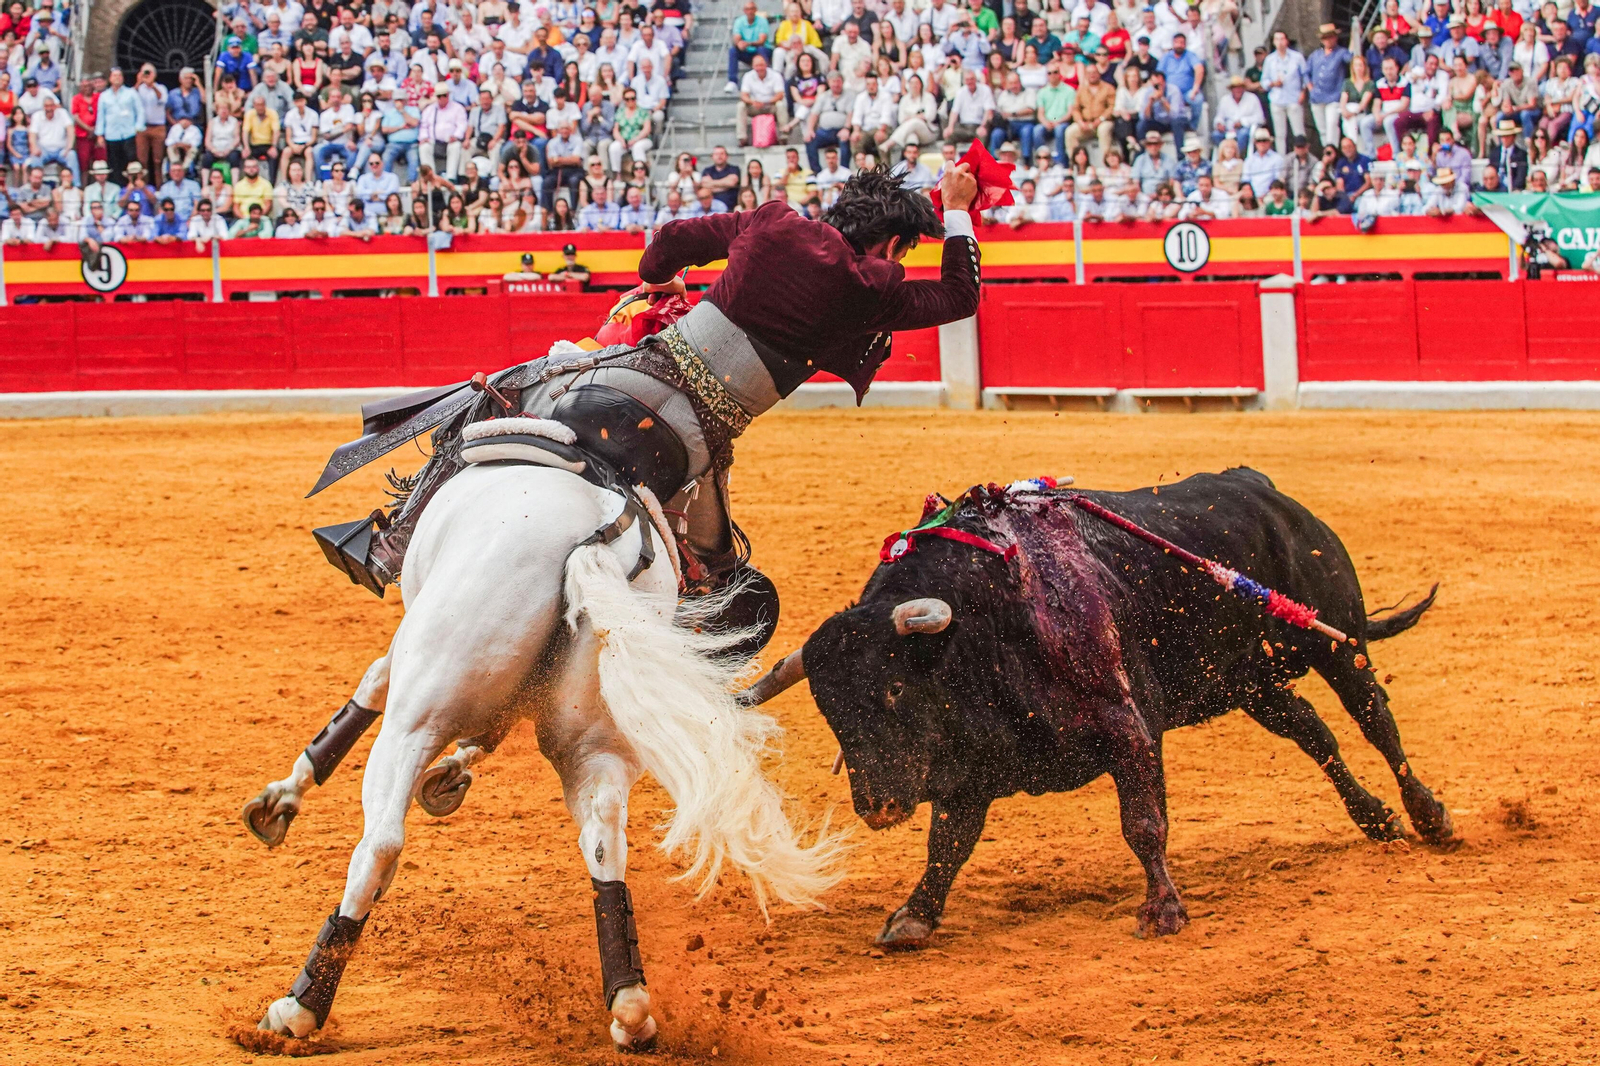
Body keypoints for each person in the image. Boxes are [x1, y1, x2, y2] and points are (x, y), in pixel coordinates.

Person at [350, 162, 984, 654]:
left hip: (630, 372)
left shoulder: (772, 220)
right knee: (715, 571)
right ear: (894, 243)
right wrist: (957, 211)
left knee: (496, 393)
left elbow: (669, 241)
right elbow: (960, 295)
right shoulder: (873, 285)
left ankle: (393, 544)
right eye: (904, 252)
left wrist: (663, 281)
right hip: (694, 443)